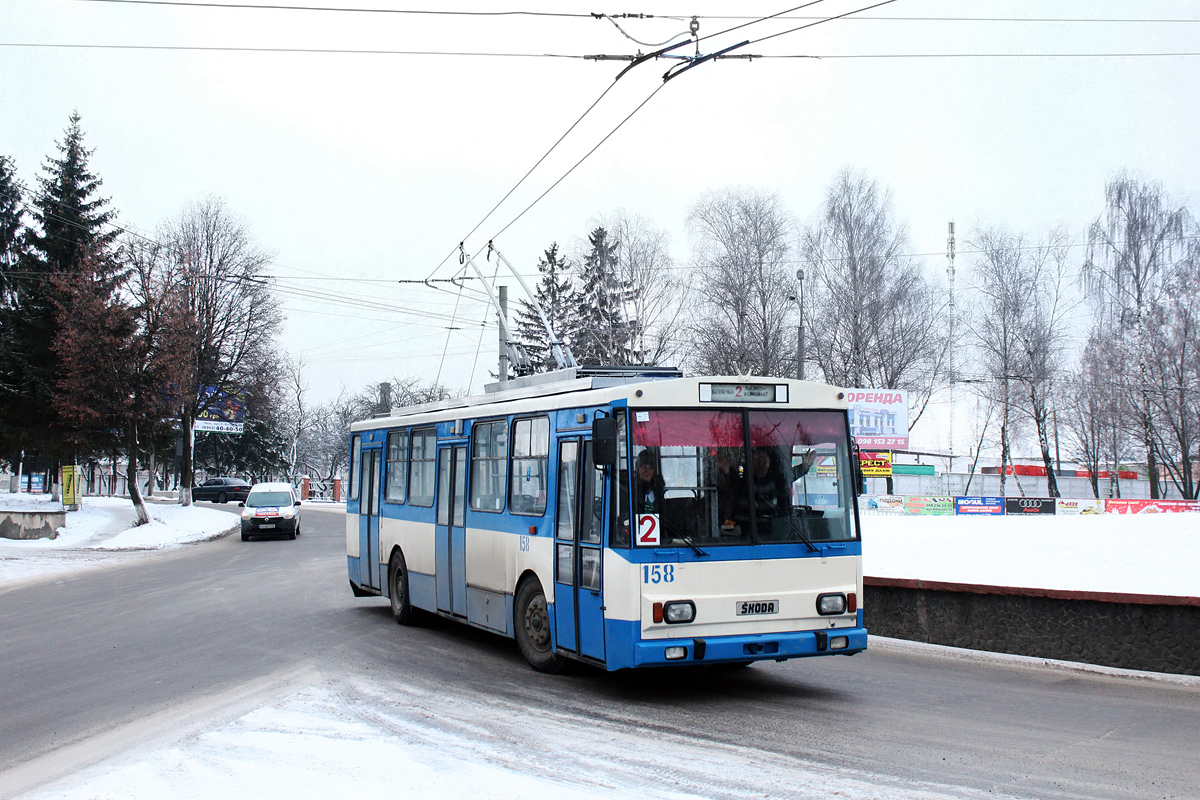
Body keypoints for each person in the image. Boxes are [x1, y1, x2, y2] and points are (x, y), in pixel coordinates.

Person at [633, 448, 665, 514]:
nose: (647, 471)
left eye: (650, 468)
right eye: (644, 467)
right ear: (637, 469)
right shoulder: (632, 489)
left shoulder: (658, 488)